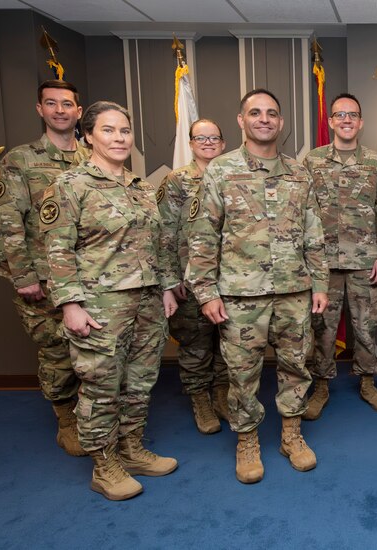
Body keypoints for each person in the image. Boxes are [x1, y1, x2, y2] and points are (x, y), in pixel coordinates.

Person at [186, 89, 329, 484]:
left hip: (294, 292)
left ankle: (291, 435)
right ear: (241, 120)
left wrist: (320, 284)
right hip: (239, 295)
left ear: (280, 123)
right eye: (255, 113)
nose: (264, 119)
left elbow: (313, 234)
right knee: (242, 373)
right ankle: (247, 440)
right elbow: (202, 235)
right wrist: (206, 292)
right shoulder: (221, 169)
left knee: (296, 367)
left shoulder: (300, 173)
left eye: (271, 113)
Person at [42, 101, 179, 501]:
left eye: (124, 131)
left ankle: (132, 450)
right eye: (108, 130)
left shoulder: (141, 188)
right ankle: (104, 465)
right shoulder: (71, 186)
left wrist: (169, 286)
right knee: (102, 387)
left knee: (139, 383)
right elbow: (58, 250)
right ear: (87, 136)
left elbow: (160, 245)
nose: (118, 138)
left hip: (148, 303)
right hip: (99, 306)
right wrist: (70, 304)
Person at [0, 80, 89, 457]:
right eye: (51, 104)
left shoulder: (92, 159)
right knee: (56, 351)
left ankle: (91, 415)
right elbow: (5, 222)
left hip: (89, 278)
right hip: (43, 278)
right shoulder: (20, 160)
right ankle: (66, 420)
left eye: (67, 104)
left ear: (79, 112)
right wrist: (23, 276)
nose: (60, 110)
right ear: (40, 110)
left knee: (90, 351)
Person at [301, 93, 377, 419]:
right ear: (330, 121)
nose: (346, 120)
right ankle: (322, 385)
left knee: (366, 326)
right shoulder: (312, 161)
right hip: (322, 262)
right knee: (323, 327)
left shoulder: (374, 162)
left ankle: (368, 381)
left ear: (361, 122)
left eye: (352, 115)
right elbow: (300, 212)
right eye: (339, 115)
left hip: (364, 260)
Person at [158, 119, 229, 434]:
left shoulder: (232, 175)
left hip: (230, 277)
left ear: (223, 143)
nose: (208, 142)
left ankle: (222, 394)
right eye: (201, 137)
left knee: (227, 341)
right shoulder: (177, 180)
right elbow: (163, 232)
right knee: (196, 342)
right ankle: (201, 399)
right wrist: (171, 280)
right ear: (190, 142)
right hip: (189, 279)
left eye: (214, 137)